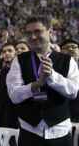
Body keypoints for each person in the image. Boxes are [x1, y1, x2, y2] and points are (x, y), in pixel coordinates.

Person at [7, 16, 79, 146]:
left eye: (38, 31)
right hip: (30, 131)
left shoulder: (68, 60)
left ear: (50, 32)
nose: (33, 37)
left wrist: (51, 76)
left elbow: (73, 91)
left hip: (59, 131)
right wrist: (36, 84)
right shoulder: (19, 60)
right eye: (29, 33)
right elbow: (14, 95)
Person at [60, 39, 79, 122]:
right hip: (62, 119)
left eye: (73, 47)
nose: (70, 49)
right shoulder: (54, 69)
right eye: (66, 48)